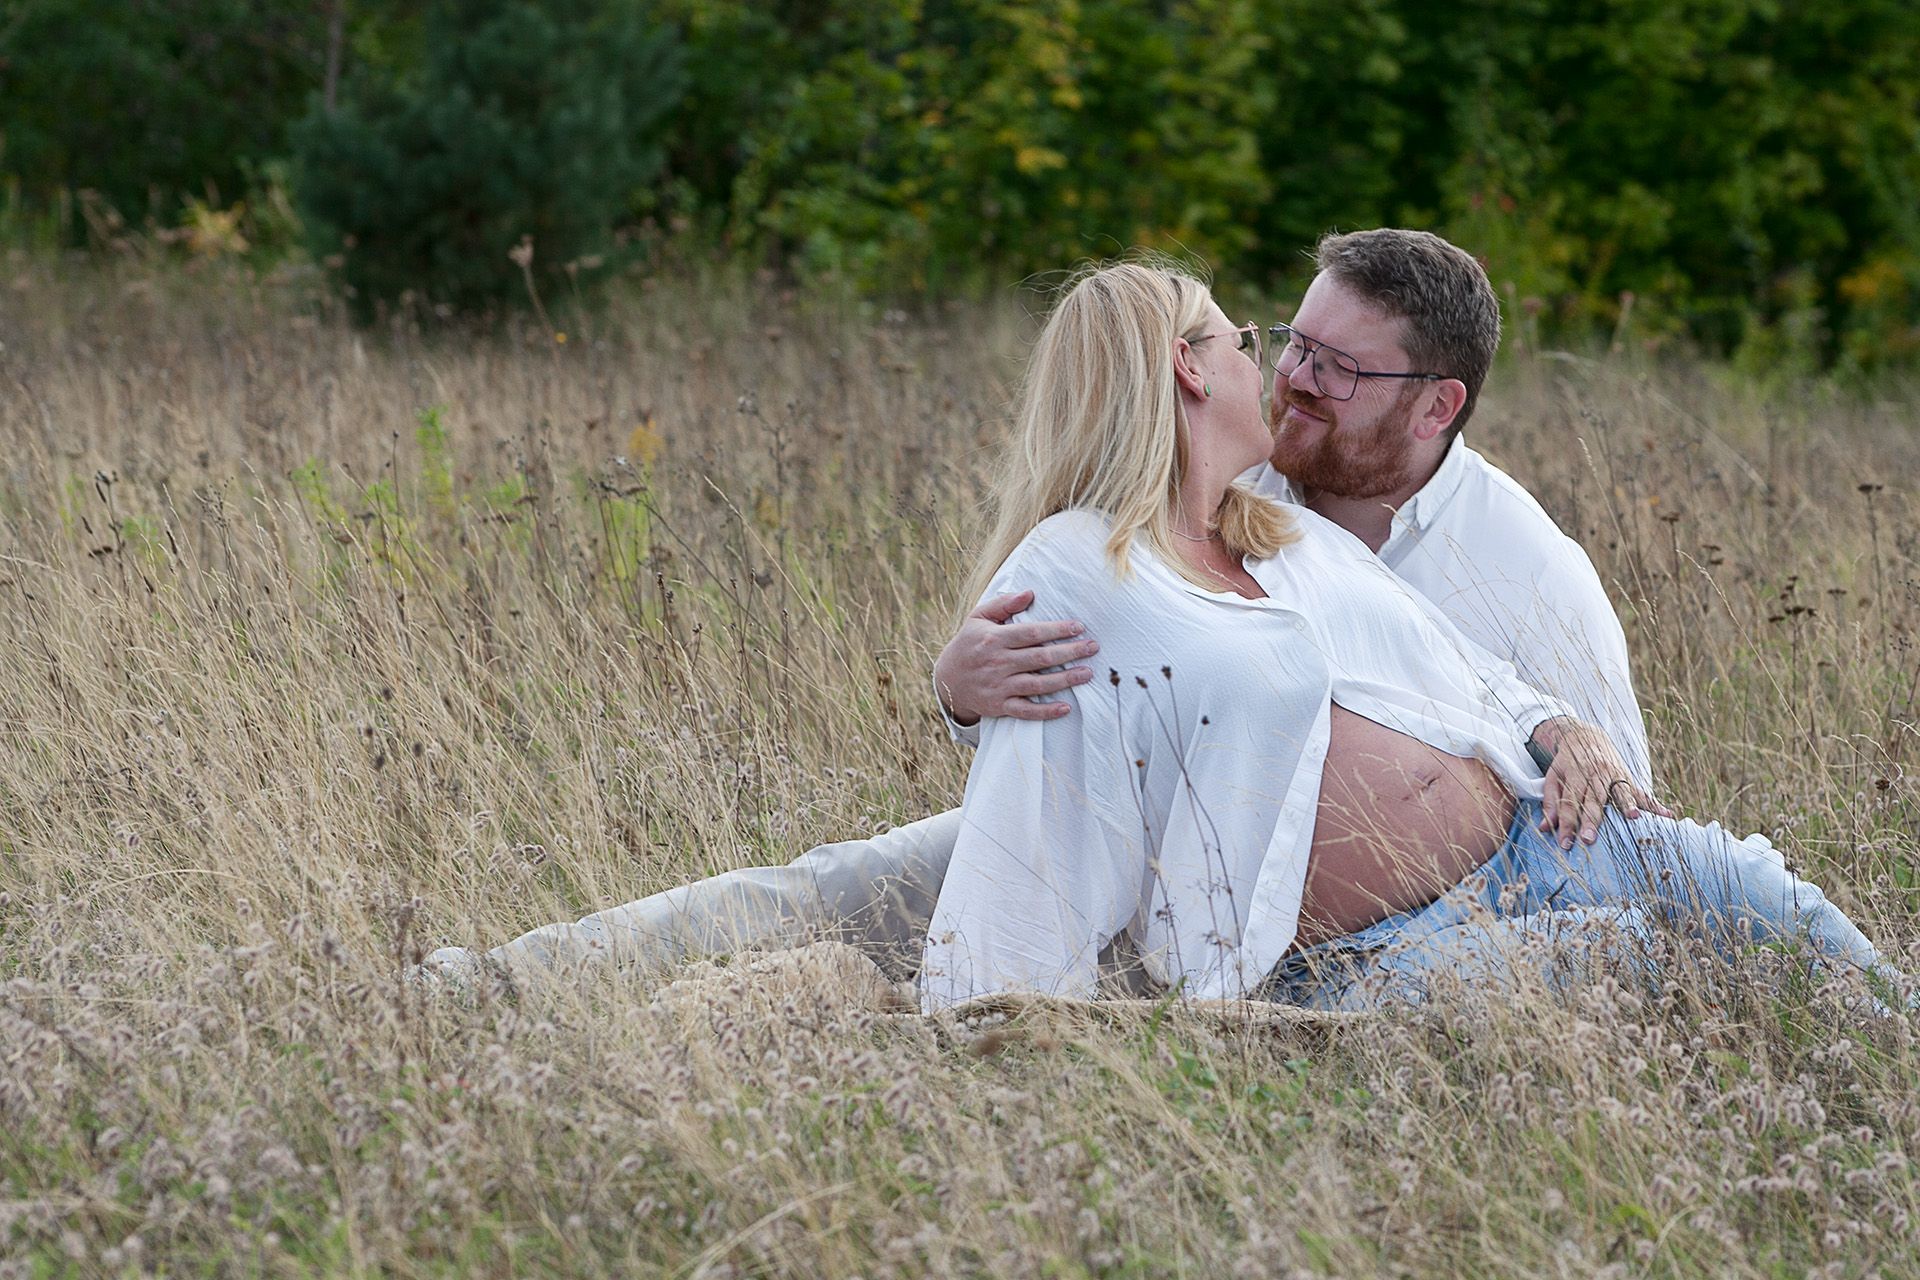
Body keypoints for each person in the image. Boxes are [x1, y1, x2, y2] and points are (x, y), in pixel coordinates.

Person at [424, 254, 1895, 1012]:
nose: (1297, 373)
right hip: (1215, 877)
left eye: (1334, 363)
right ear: (1191, 383)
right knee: (839, 887)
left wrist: (1560, 730)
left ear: (1433, 403)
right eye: (1282, 343)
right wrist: (958, 689)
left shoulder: (1522, 564)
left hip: (1497, 866)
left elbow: (1572, 750)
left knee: (1731, 910)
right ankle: (496, 991)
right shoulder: (1238, 503)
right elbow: (1070, 601)